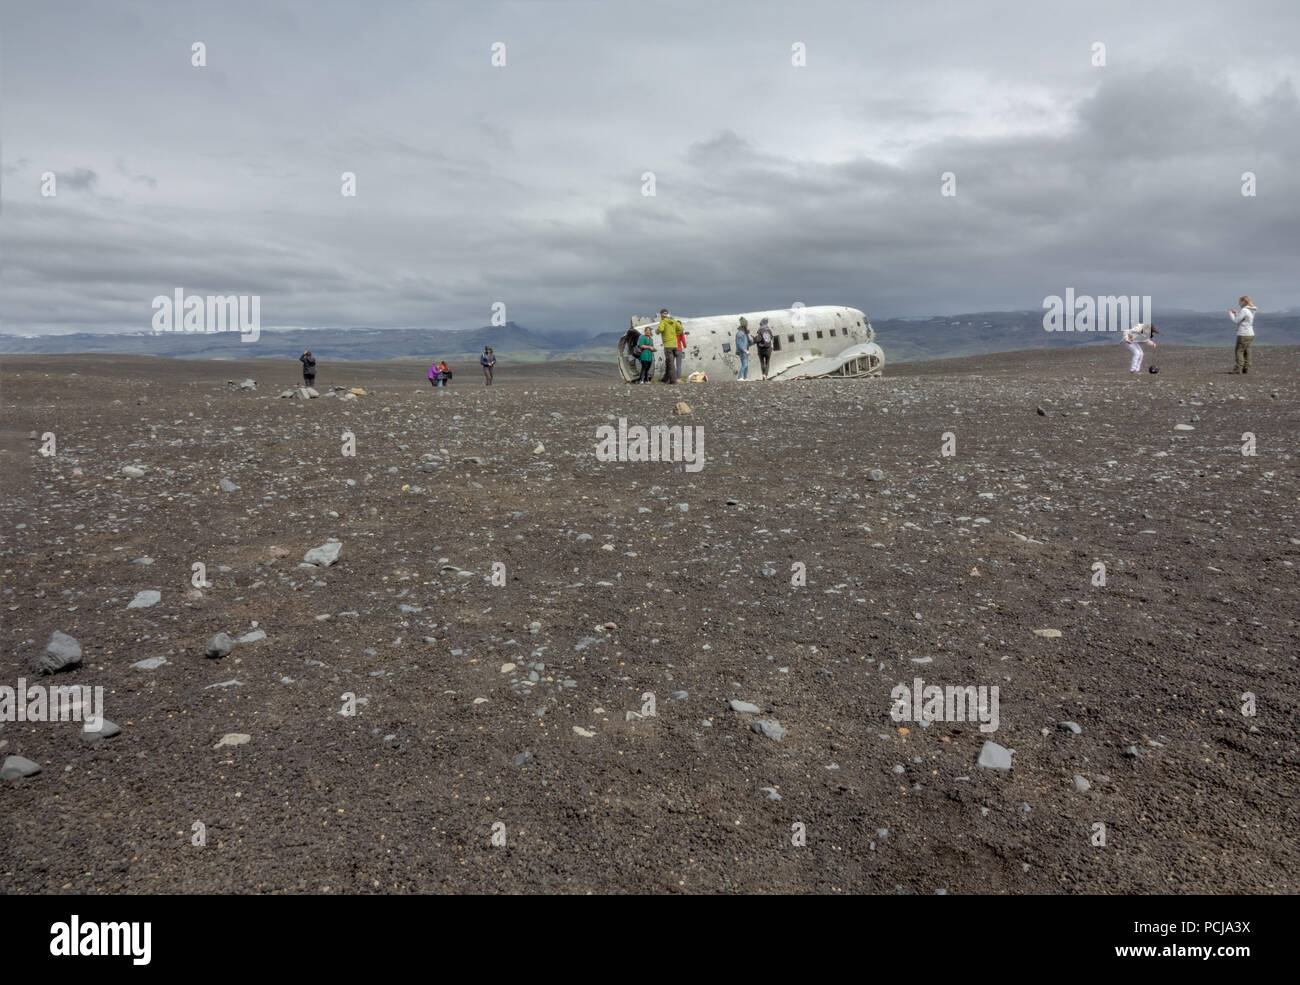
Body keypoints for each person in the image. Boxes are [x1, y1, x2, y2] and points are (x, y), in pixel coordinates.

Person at [1229, 296, 1257, 374]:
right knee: (1247, 350)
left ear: (1243, 302)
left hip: (1243, 333)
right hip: (1250, 333)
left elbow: (1236, 321)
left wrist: (1231, 314)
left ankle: (1238, 368)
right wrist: (1237, 313)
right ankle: (1246, 368)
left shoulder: (1244, 310)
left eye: (1240, 302)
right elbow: (1245, 319)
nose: (1239, 303)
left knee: (1239, 351)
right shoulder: (1251, 310)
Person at [655, 308, 682, 384]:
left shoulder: (663, 321)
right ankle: (665, 378)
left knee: (670, 363)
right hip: (675, 345)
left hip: (668, 345)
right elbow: (681, 329)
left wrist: (656, 332)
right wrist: (675, 334)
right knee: (668, 361)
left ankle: (673, 380)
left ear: (662, 315)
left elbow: (660, 329)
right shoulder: (673, 321)